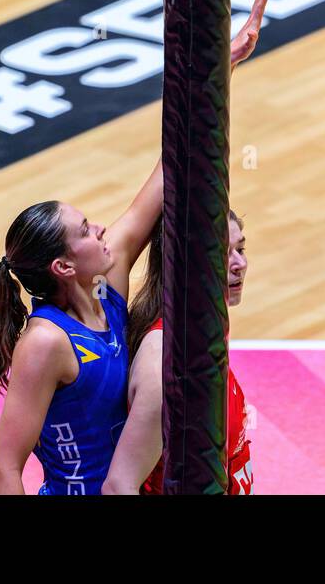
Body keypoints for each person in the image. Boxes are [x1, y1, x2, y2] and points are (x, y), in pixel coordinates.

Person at [0, 0, 270, 494]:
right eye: (85, 231)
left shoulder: (107, 291)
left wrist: (222, 69)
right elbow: (5, 468)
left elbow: (172, 166)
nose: (102, 227)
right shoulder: (45, 342)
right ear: (64, 266)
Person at [103, 210, 253, 495]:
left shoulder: (201, 330)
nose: (239, 264)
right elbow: (118, 485)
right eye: (224, 253)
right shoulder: (163, 360)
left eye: (241, 249)